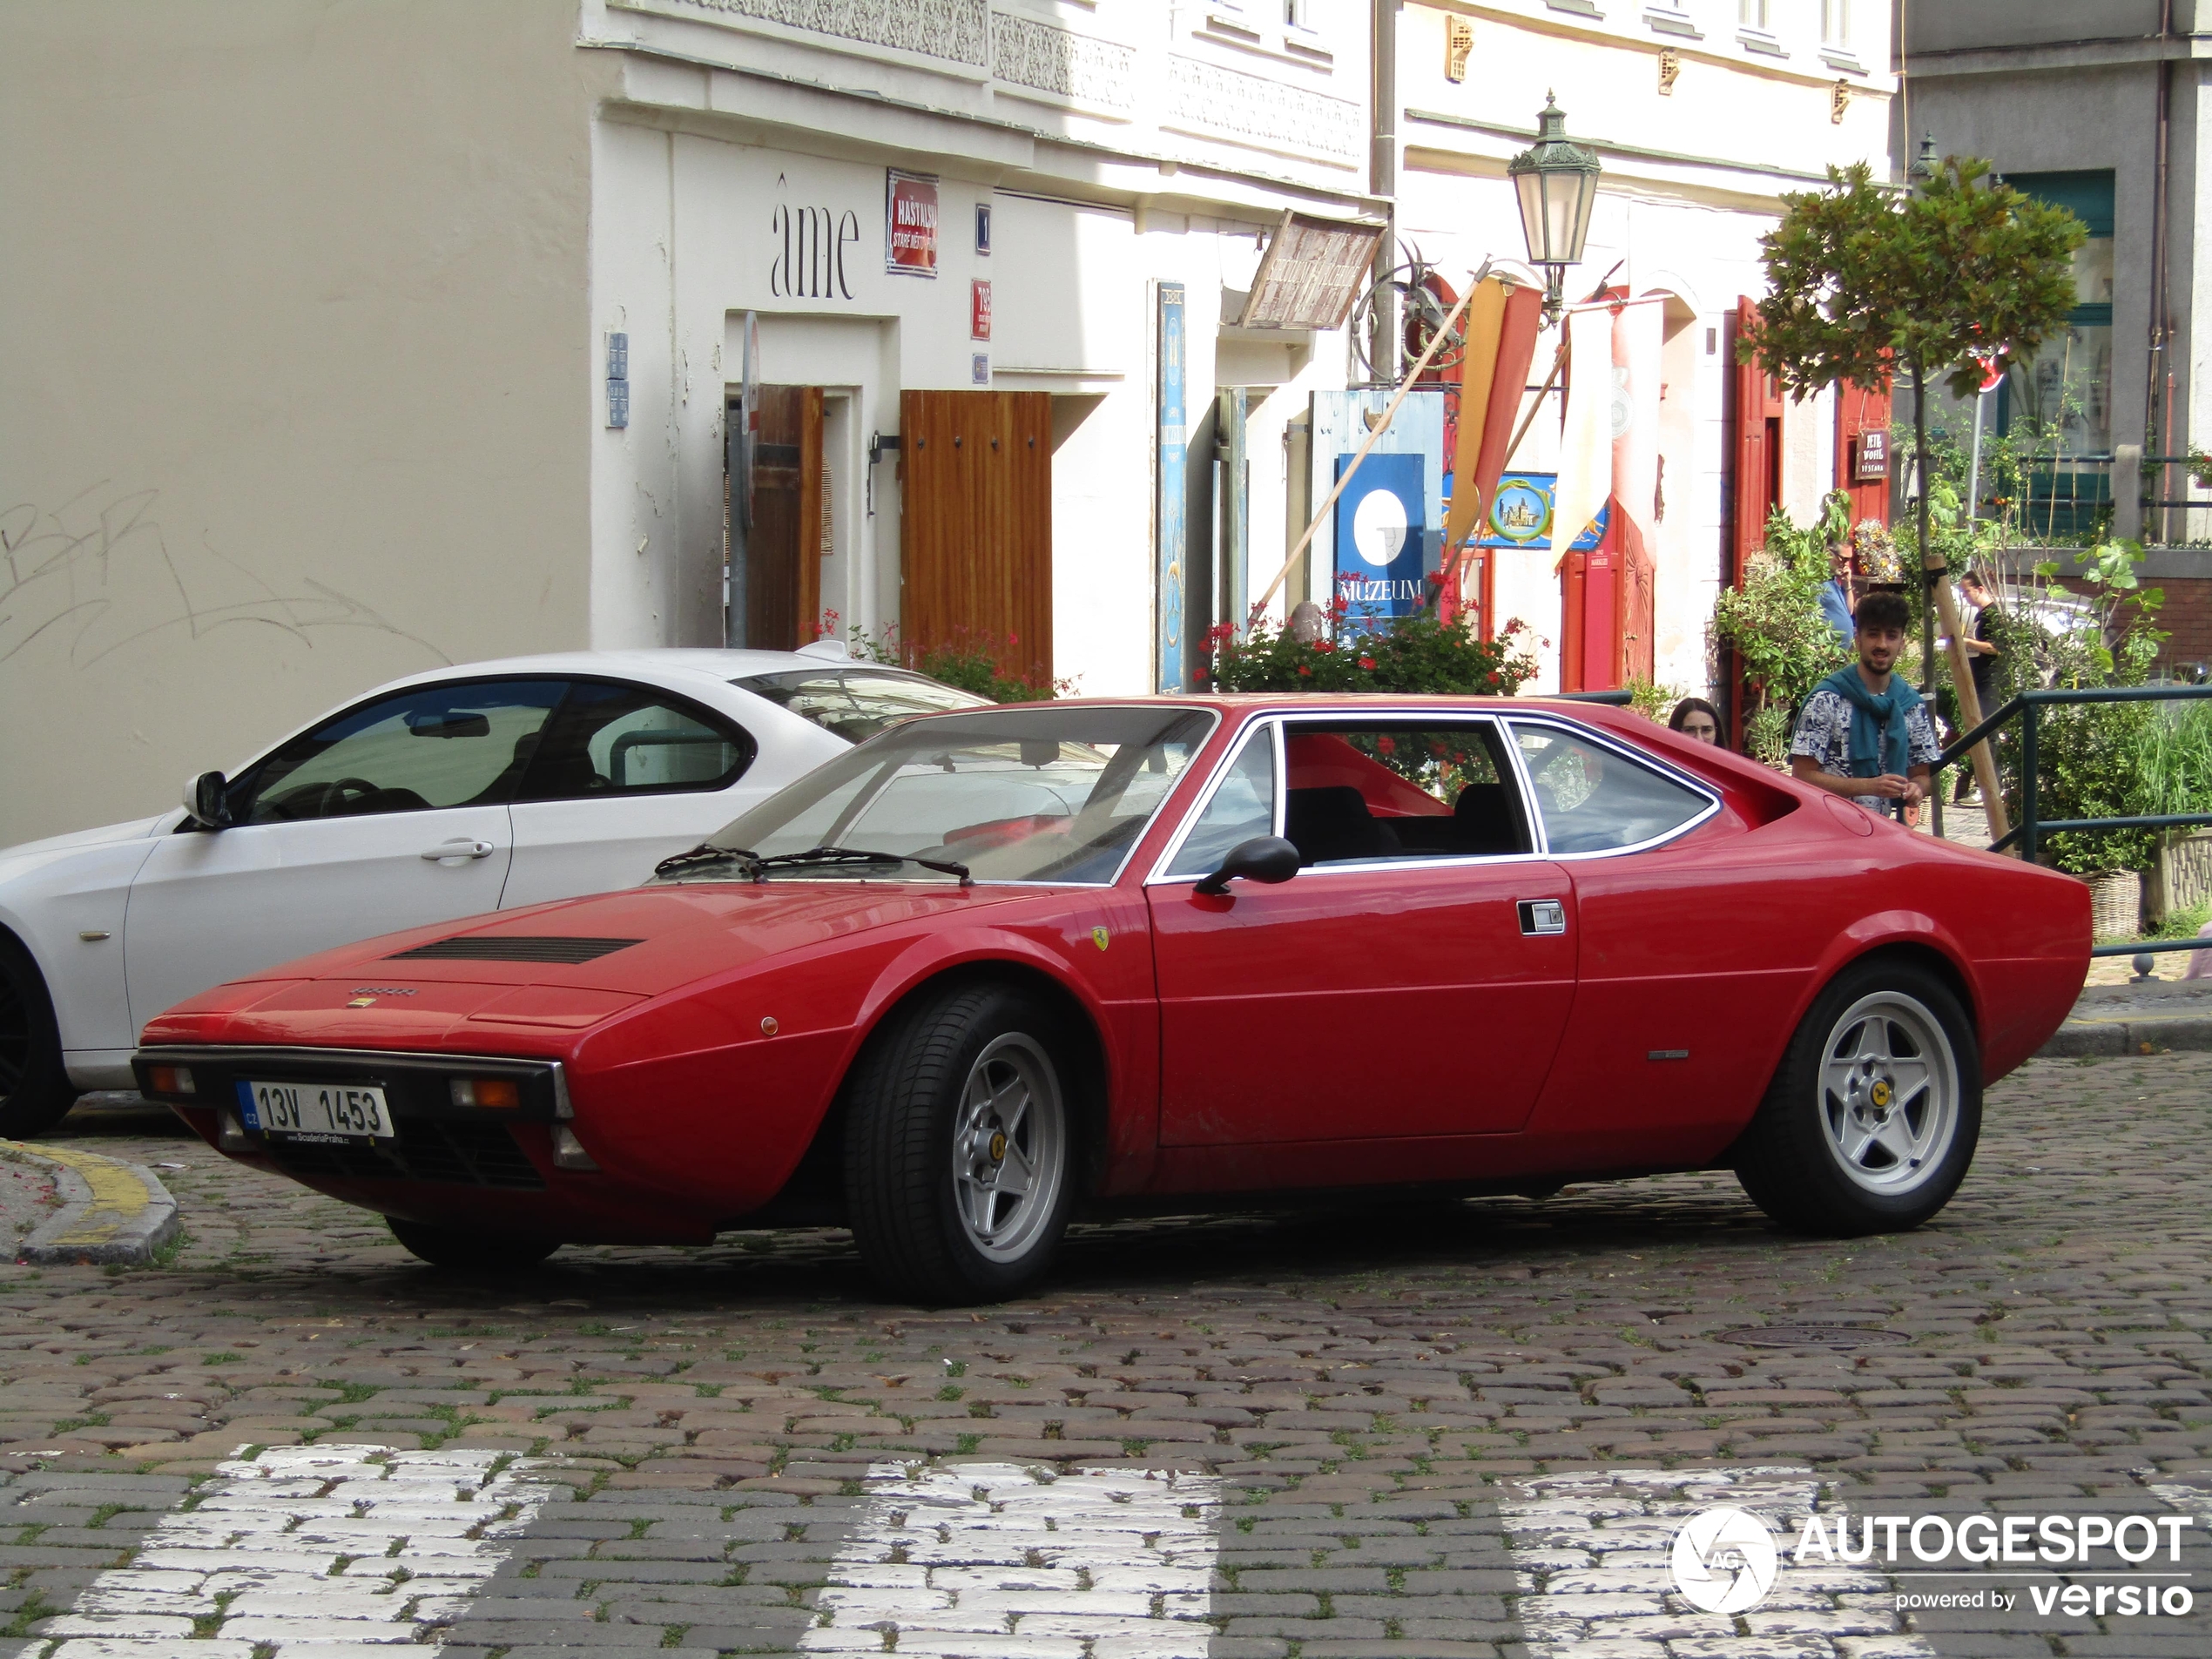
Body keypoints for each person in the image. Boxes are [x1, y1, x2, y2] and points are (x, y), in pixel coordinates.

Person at [1789, 590, 1939, 818]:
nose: (1882, 644)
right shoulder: (1827, 699)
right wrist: (1869, 786)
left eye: (1891, 635)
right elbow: (1802, 776)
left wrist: (1916, 789)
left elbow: (1922, 775)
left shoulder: (1910, 706)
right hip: (1826, 829)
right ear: (1857, 639)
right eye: (1873, 634)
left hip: (1881, 833)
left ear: (1902, 643)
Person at [1817, 543, 1857, 647]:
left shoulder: (1833, 581)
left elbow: (1849, 611)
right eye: (1844, 559)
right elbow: (1810, 620)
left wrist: (1847, 584)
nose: (1846, 564)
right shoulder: (1819, 582)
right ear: (1829, 554)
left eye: (1849, 560)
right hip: (1828, 652)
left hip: (1841, 654)